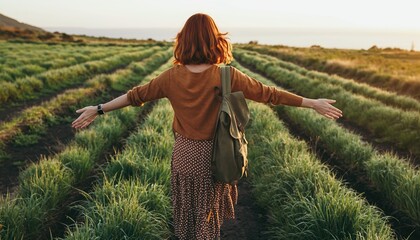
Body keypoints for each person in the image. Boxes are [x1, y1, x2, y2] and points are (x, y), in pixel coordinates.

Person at [72, 13, 342, 240]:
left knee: (187, 215)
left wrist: (97, 109)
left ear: (183, 41)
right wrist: (311, 102)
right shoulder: (227, 75)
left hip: (184, 156)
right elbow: (269, 93)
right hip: (217, 155)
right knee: (207, 218)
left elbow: (134, 96)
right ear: (216, 40)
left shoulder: (170, 77)